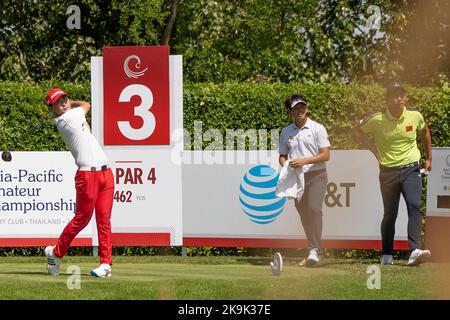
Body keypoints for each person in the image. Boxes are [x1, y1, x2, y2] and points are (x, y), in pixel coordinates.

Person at [352, 83, 432, 266]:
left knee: (414, 206)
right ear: (387, 99)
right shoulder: (377, 118)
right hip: (388, 172)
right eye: (394, 95)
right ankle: (387, 253)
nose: (399, 98)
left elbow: (425, 131)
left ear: (405, 97)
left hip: (411, 168)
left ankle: (414, 250)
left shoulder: (415, 116)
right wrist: (373, 148)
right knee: (390, 214)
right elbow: (355, 130)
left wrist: (429, 158)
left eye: (401, 95)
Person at [43, 88, 115, 277]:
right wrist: (72, 104)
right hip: (87, 175)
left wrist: (66, 103)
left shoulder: (71, 114)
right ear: (53, 109)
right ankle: (56, 253)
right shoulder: (67, 119)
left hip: (106, 173)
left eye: (65, 99)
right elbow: (86, 105)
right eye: (59, 103)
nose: (64, 103)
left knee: (104, 220)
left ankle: (106, 265)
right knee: (81, 219)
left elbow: (84, 108)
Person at [279, 94, 331, 266]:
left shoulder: (318, 128)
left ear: (306, 108)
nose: (300, 110)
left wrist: (304, 161)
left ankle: (314, 249)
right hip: (296, 178)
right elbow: (282, 155)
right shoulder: (286, 132)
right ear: (289, 112)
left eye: (302, 107)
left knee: (314, 209)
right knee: (304, 213)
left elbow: (325, 154)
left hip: (316, 175)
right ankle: (313, 249)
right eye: (296, 108)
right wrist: (286, 166)